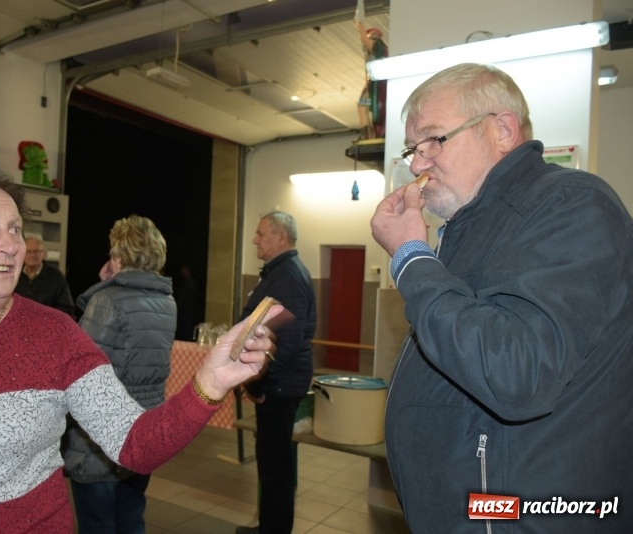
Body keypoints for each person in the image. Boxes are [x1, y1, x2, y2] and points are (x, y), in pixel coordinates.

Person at [0, 165, 282, 534]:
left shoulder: (54, 334)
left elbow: (134, 444)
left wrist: (210, 382)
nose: (9, 243)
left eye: (14, 228)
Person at [370, 63, 632, 533]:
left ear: (503, 130)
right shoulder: (471, 229)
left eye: (434, 140)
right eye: (413, 148)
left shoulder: (571, 203)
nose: (416, 163)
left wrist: (411, 257)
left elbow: (517, 372)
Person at [62, 214, 177, 533]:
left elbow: (80, 369)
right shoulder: (167, 301)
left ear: (118, 256)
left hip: (99, 441)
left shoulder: (107, 300)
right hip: (143, 429)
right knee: (130, 518)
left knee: (97, 524)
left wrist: (102, 287)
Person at [236, 211, 316, 534]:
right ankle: (268, 526)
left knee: (276, 467)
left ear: (280, 237)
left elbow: (288, 340)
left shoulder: (287, 276)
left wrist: (259, 381)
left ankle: (274, 530)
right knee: (271, 464)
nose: (255, 239)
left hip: (279, 386)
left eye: (260, 233)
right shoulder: (279, 272)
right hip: (277, 383)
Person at [14, 233, 75, 318]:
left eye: (36, 251)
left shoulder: (56, 277)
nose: (32, 255)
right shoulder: (14, 275)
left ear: (44, 254)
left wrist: (44, 317)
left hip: (46, 326)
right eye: (29, 251)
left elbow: (67, 309)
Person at [356, 23, 388, 139]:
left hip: (377, 86)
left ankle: (366, 133)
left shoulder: (377, 46)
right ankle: (369, 133)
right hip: (375, 84)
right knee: (364, 106)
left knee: (362, 105)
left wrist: (359, 25)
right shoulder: (382, 50)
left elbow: (364, 39)